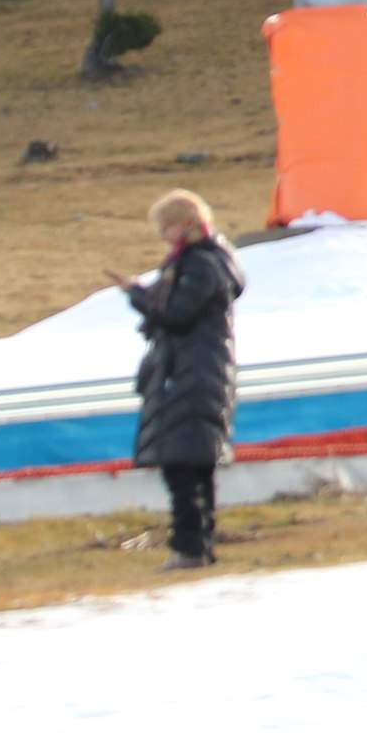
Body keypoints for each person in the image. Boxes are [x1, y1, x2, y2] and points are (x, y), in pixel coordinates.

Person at [120, 189, 244, 570]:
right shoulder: (207, 261)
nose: (162, 234)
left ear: (186, 223)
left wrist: (139, 297)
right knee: (194, 464)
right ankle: (198, 545)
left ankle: (190, 547)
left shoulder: (200, 264)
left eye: (166, 225)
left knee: (182, 465)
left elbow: (177, 313)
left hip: (191, 374)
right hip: (199, 372)